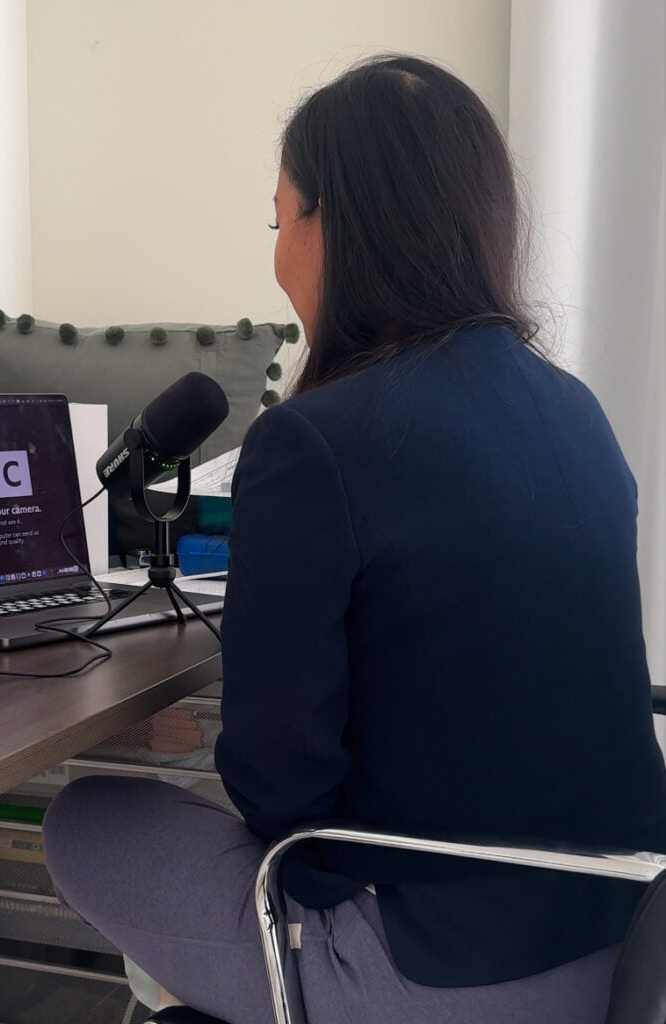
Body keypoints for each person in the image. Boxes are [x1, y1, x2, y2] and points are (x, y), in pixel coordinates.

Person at [42, 54, 666, 1024]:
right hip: (620, 952)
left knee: (88, 820)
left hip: (433, 970)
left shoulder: (313, 441)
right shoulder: (573, 413)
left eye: (279, 218)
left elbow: (277, 788)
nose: (277, 253)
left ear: (336, 224)